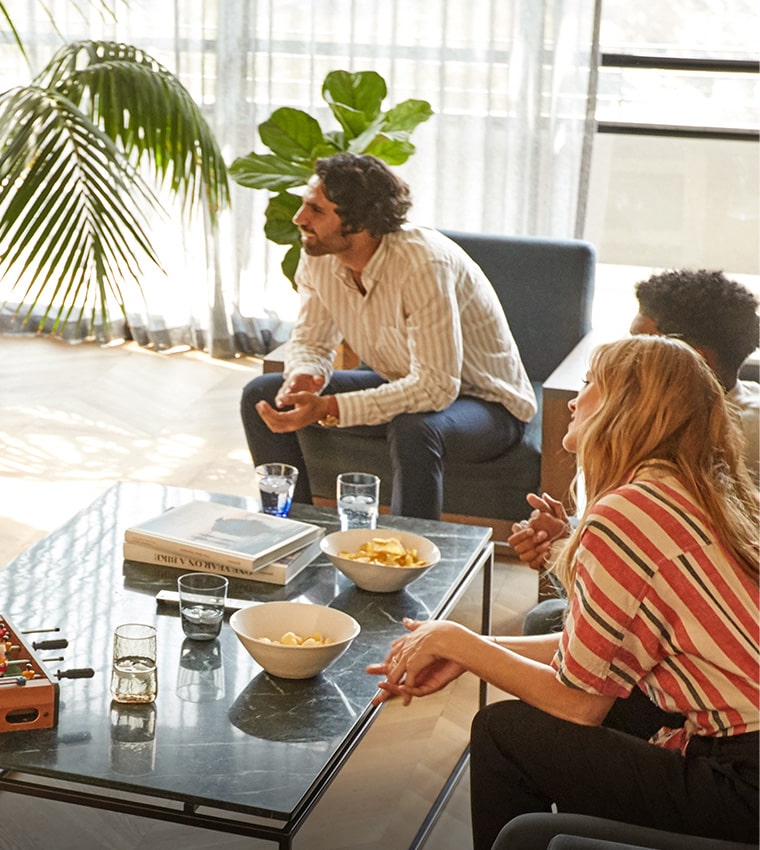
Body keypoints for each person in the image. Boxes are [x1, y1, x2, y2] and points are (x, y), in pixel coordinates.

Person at [366, 335, 759, 850]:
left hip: (744, 784)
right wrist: (465, 650)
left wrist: (461, 643)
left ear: (628, 407)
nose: (574, 400)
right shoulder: (688, 490)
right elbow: (594, 660)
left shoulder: (627, 512)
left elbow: (580, 705)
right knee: (532, 722)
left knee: (503, 732)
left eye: (591, 383)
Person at [240, 152, 536, 520]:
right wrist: (306, 375)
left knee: (415, 427)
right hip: (404, 382)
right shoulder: (319, 256)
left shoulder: (423, 264)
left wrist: (331, 408)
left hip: (488, 405)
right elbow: (312, 342)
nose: (299, 219)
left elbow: (437, 388)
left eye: (316, 210)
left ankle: (407, 560)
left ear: (358, 222)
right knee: (262, 393)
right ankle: (291, 530)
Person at [511, 268, 759, 637]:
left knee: (547, 619)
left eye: (638, 344)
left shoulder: (709, 440)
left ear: (691, 359)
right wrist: (569, 539)